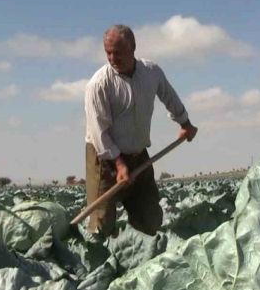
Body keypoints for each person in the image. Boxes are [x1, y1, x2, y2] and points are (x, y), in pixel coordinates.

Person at [84, 24, 198, 238]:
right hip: (105, 159)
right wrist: (118, 164)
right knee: (101, 226)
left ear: (133, 48)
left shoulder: (151, 72)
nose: (112, 58)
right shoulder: (98, 84)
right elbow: (99, 132)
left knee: (151, 219)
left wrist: (185, 123)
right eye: (108, 52)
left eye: (117, 52)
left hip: (138, 155)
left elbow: (169, 97)